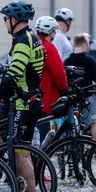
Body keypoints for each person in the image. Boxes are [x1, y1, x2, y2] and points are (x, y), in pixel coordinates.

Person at [0, 0, 44, 192]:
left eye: (6, 19)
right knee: (20, 153)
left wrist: (0, 92)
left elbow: (14, 72)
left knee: (20, 156)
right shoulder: (32, 37)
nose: (5, 23)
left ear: (14, 20)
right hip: (29, 101)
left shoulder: (24, 41)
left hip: (24, 104)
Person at [34, 16, 68, 144]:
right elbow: (59, 73)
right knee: (43, 139)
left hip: (29, 98)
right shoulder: (49, 48)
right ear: (51, 32)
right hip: (45, 99)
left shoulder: (32, 45)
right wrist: (64, 89)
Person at [64, 34, 96, 140]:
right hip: (87, 96)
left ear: (74, 45)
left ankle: (71, 146)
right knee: (93, 123)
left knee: (71, 124)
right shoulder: (90, 60)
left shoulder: (67, 61)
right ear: (85, 45)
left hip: (72, 98)